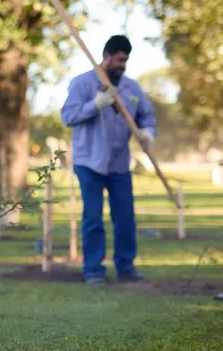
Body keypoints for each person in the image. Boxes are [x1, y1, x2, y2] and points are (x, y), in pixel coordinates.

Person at [61, 35, 157, 286]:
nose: (123, 65)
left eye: (126, 60)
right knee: (93, 217)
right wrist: (95, 105)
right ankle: (93, 270)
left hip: (118, 163)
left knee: (125, 216)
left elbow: (146, 116)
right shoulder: (82, 83)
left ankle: (126, 266)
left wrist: (147, 132)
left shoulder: (131, 88)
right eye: (119, 60)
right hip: (89, 162)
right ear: (106, 56)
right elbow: (67, 116)